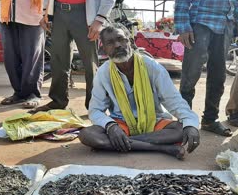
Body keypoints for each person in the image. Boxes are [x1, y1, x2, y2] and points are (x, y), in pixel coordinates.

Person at [79, 26, 200, 159]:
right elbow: (95, 110)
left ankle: (123, 142)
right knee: (87, 135)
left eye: (121, 40)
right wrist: (111, 127)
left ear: (131, 42)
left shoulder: (152, 67)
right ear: (103, 49)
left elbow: (175, 101)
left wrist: (190, 124)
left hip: (153, 121)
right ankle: (161, 148)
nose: (117, 45)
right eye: (110, 43)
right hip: (121, 124)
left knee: (180, 130)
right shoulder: (103, 73)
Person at [174, 0, 238, 137]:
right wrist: (183, 26)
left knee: (218, 77)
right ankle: (184, 121)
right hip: (200, 23)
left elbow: (234, 1)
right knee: (191, 74)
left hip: (225, 25)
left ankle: (210, 120)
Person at [32, 0, 116, 112]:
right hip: (57, 12)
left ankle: (95, 105)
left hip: (85, 14)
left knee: (90, 64)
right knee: (58, 61)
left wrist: (100, 19)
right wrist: (44, 12)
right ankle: (58, 101)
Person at [0, 0, 45, 108]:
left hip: (32, 15)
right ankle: (19, 93)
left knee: (31, 58)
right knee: (10, 58)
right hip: (7, 15)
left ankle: (33, 93)